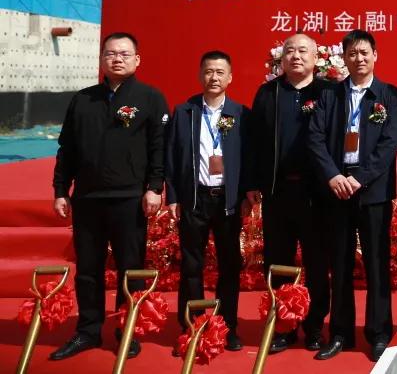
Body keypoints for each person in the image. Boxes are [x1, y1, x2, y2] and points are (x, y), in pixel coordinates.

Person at [50, 32, 168, 361]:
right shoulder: (83, 100)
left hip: (129, 199)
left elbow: (159, 147)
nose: (117, 59)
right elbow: (67, 149)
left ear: (137, 60)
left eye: (124, 54)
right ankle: (88, 330)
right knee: (88, 268)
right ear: (102, 59)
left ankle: (127, 329)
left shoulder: (150, 98)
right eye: (111, 53)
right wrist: (61, 190)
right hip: (88, 198)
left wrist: (154, 187)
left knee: (130, 268)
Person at [308, 30, 397, 361]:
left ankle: (379, 333)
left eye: (364, 53)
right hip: (337, 190)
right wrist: (334, 176)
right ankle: (340, 333)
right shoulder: (330, 95)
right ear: (344, 58)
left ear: (375, 55)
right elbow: (315, 137)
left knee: (376, 263)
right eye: (352, 53)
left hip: (373, 191)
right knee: (340, 262)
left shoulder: (390, 95)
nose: (358, 59)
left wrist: (359, 178)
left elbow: (390, 142)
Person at [244, 33, 332, 354]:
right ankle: (283, 326)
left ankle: (314, 327)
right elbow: (253, 142)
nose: (296, 56)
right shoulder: (268, 93)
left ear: (315, 57)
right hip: (278, 191)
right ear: (281, 58)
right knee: (278, 262)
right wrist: (252, 183)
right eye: (290, 51)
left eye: (302, 51)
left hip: (316, 194)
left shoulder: (328, 92)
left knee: (317, 262)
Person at [164, 50, 246, 353]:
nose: (214, 77)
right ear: (200, 75)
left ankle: (228, 327)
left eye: (220, 72)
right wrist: (173, 196)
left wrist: (246, 194)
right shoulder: (184, 112)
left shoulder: (240, 114)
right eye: (209, 71)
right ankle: (192, 326)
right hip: (195, 198)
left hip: (227, 201)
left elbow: (248, 159)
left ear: (230, 77)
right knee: (191, 266)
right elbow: (171, 157)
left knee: (229, 266)